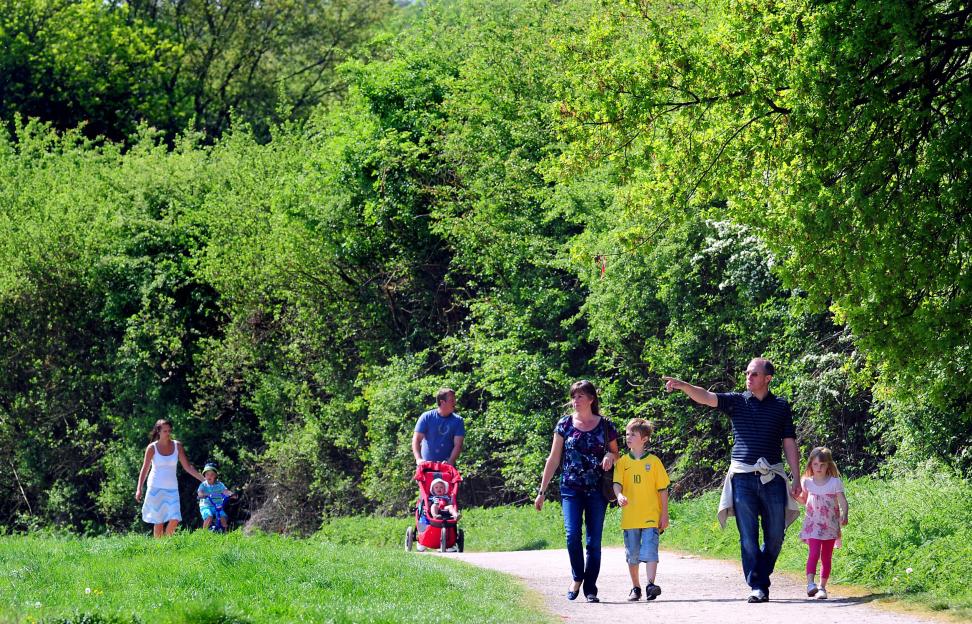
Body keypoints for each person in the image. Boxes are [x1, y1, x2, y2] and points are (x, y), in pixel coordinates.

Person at [663, 357, 801, 603]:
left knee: (775, 536)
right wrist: (684, 386)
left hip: (773, 477)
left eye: (754, 374)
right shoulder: (736, 401)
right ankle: (758, 586)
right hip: (742, 478)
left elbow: (789, 442)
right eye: (747, 373)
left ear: (767, 378)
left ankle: (759, 577)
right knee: (748, 536)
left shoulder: (781, 406)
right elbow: (705, 396)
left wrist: (796, 477)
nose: (749, 377)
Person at [535, 380, 619, 603]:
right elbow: (553, 459)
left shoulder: (605, 425)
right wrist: (542, 491)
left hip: (597, 490)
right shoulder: (564, 424)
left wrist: (610, 456)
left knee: (593, 542)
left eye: (580, 396)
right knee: (572, 536)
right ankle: (577, 578)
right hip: (570, 488)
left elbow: (616, 454)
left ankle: (590, 588)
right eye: (574, 396)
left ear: (591, 399)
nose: (576, 401)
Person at [613, 418, 670, 602]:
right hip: (630, 518)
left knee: (651, 550)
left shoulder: (654, 462)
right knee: (633, 556)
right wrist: (619, 495)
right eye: (627, 433)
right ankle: (636, 587)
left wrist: (664, 514)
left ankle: (650, 585)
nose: (628, 437)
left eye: (633, 434)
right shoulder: (622, 462)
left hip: (651, 516)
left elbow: (663, 489)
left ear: (644, 439)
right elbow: (616, 484)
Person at [135, 419, 205, 537]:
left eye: (169, 431)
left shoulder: (177, 446)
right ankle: (160, 549)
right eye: (165, 431)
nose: (168, 433)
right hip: (155, 487)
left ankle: (167, 542)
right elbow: (145, 469)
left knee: (175, 518)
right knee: (159, 521)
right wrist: (139, 489)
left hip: (172, 488)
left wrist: (204, 480)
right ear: (158, 432)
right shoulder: (152, 448)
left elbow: (187, 467)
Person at [796, 446, 849, 600]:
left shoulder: (834, 482)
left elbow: (843, 502)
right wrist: (793, 495)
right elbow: (804, 500)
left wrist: (845, 514)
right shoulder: (807, 482)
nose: (818, 468)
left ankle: (822, 587)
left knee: (826, 557)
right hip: (813, 524)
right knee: (813, 553)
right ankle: (810, 584)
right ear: (811, 465)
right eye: (815, 464)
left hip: (830, 525)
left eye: (822, 464)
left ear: (828, 465)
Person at [412, 388, 465, 465]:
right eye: (452, 400)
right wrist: (418, 459)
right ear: (442, 402)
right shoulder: (426, 417)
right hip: (426, 467)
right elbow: (416, 439)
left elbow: (458, 445)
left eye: (455, 400)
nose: (455, 402)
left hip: (447, 468)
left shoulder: (458, 421)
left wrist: (451, 461)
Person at [197, 463, 235, 531]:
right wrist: (202, 495)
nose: (209, 476)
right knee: (209, 516)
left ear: (216, 475)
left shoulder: (219, 484)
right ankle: (203, 533)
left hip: (217, 506)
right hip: (206, 505)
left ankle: (225, 534)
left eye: (212, 474)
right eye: (207, 474)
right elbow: (200, 492)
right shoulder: (203, 485)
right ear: (204, 476)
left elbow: (226, 491)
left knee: (223, 517)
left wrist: (231, 495)